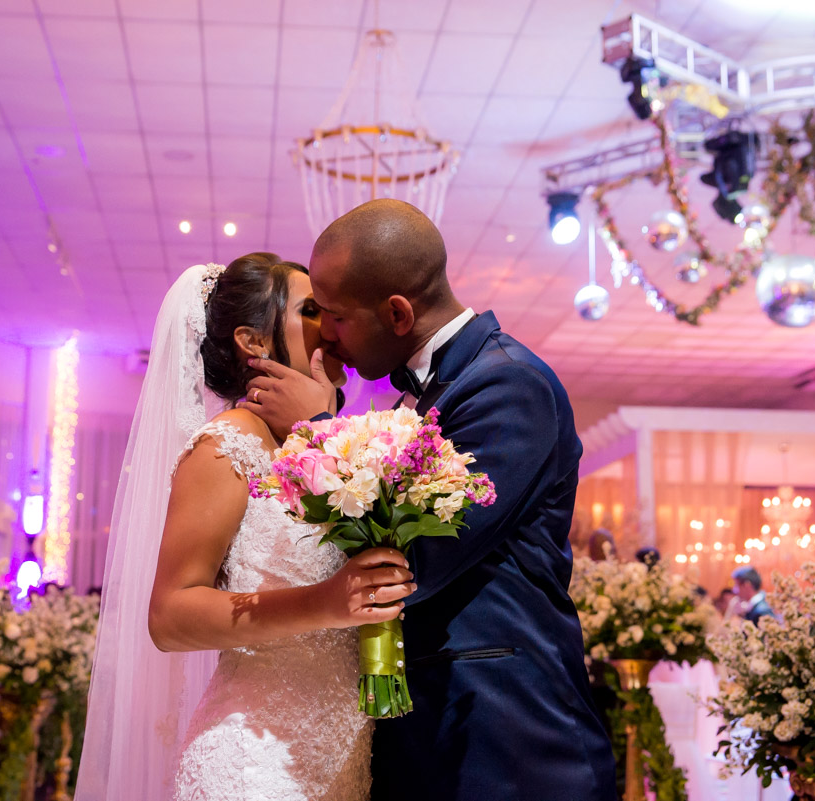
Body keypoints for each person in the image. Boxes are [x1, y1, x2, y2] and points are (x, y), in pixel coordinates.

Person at [241, 199, 616, 800]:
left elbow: (418, 559)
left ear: (396, 312)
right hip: (431, 740)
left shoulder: (507, 384)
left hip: (508, 740)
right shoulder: (415, 398)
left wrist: (313, 431)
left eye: (335, 315)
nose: (328, 334)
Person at [76, 255, 415, 801]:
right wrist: (326, 603)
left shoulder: (328, 448)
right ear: (253, 342)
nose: (329, 324)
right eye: (310, 310)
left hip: (340, 760)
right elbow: (170, 615)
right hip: (255, 764)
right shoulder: (229, 444)